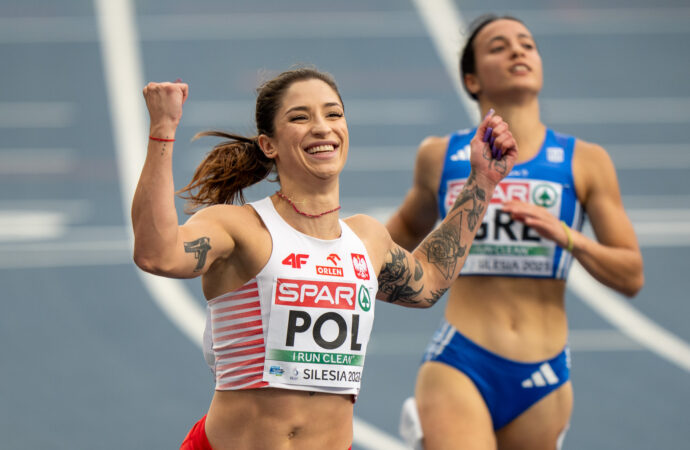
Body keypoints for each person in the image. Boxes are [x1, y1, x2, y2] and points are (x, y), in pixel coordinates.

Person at [132, 67, 518, 449]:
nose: (322, 127)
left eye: (333, 114)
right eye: (300, 117)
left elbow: (429, 281)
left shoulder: (366, 239)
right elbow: (157, 254)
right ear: (269, 145)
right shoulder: (240, 228)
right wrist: (163, 128)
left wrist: (481, 181)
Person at [388, 15, 644, 450]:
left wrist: (568, 236)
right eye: (499, 46)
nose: (518, 51)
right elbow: (393, 240)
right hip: (461, 360)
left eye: (526, 44)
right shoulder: (440, 156)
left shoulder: (585, 161)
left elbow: (631, 276)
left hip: (543, 372)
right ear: (472, 80)